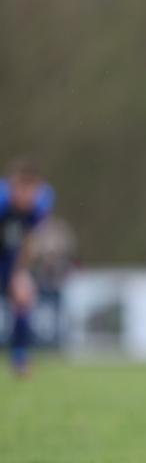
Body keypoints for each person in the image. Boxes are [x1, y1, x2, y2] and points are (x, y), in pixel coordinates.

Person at [0, 158, 55, 377]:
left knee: (23, 296)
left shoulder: (41, 204)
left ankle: (19, 358)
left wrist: (19, 270)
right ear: (14, 187)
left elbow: (29, 239)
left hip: (10, 258)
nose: (28, 197)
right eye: (24, 190)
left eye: (33, 191)